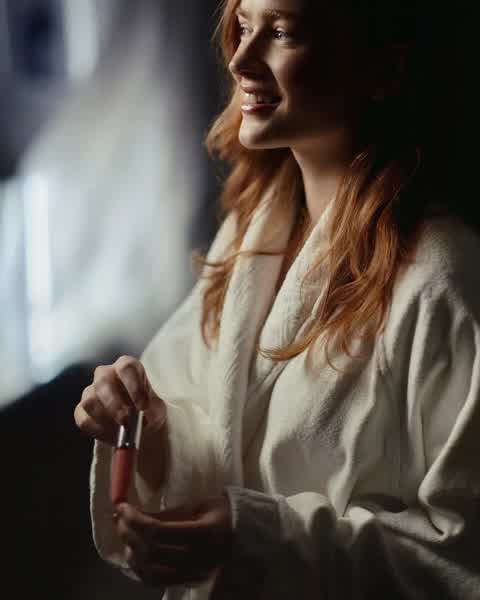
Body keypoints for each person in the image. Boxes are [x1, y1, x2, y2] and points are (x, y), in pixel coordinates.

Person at [74, 1, 480, 598]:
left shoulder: (443, 279)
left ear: (384, 72)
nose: (240, 60)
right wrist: (150, 428)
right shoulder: (250, 236)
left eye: (283, 32)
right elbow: (217, 446)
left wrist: (260, 535)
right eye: (243, 27)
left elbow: (462, 559)